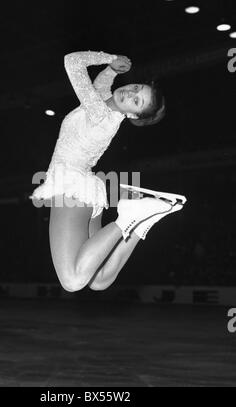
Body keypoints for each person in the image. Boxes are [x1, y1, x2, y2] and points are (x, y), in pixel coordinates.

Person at [30, 51, 185, 292]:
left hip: (70, 184)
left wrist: (108, 58)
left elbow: (71, 62)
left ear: (133, 115)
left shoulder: (99, 112)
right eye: (136, 88)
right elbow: (101, 87)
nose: (130, 93)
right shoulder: (103, 105)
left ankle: (128, 217)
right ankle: (140, 222)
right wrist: (111, 71)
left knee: (72, 281)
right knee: (99, 279)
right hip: (83, 187)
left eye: (136, 101)